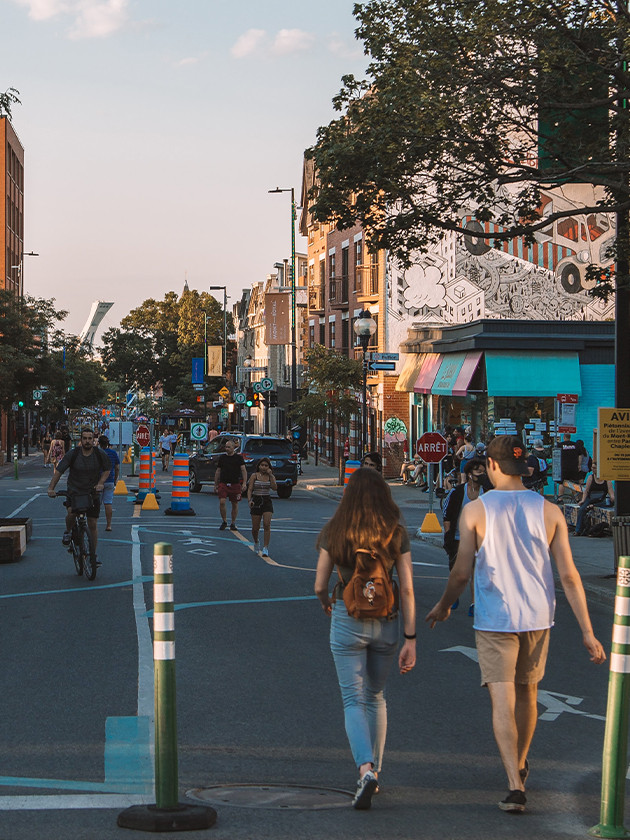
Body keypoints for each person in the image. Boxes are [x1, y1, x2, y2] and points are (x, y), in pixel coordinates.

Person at [426, 435, 606, 813]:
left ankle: (513, 782)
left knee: (502, 700)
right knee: (529, 695)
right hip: (538, 617)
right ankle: (521, 763)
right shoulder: (549, 509)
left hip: (495, 618)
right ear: (524, 468)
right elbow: (570, 576)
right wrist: (588, 632)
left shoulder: (476, 510)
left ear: (491, 466)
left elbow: (461, 572)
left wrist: (444, 606)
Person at [315, 468, 416, 810]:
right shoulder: (395, 532)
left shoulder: (336, 531)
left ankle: (365, 770)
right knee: (376, 696)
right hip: (386, 620)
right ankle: (378, 770)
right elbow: (409, 589)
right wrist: (411, 638)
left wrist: (327, 601)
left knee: (352, 700)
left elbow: (318, 584)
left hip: (348, 617)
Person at [47, 428, 112, 565]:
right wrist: (51, 488)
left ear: (93, 440)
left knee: (92, 523)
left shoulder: (99, 454)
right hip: (75, 491)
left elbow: (107, 469)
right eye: (85, 438)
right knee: (71, 513)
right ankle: (68, 531)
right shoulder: (73, 454)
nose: (87, 441)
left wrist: (101, 483)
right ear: (80, 440)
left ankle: (93, 555)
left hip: (92, 493)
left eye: (90, 439)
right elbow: (59, 471)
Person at [214, 438, 247, 531]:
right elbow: (218, 471)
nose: (226, 449)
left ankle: (233, 522)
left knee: (235, 504)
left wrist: (244, 482)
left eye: (229, 447)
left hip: (235, 483)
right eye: (226, 447)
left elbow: (243, 470)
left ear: (233, 448)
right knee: (222, 502)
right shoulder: (222, 458)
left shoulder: (239, 458)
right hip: (223, 483)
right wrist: (215, 484)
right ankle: (224, 521)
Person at [247, 457, 277, 556]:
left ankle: (265, 547)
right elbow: (250, 489)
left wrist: (271, 475)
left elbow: (274, 488)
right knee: (255, 528)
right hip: (256, 500)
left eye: (266, 465)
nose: (264, 467)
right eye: (262, 465)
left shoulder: (270, 476)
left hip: (266, 500)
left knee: (267, 524)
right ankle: (256, 541)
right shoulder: (254, 476)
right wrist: (250, 500)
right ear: (259, 466)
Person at [575, 461, 614, 536]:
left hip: (600, 500)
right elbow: (586, 491)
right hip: (590, 499)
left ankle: (594, 505)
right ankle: (578, 530)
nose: (593, 469)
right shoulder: (591, 478)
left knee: (609, 502)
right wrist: (583, 500)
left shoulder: (607, 480)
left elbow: (611, 492)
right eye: (592, 468)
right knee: (582, 509)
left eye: (595, 468)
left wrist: (612, 497)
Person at [98, 435, 120, 532]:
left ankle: (93, 523)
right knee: (108, 503)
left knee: (95, 504)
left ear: (99, 443)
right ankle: (109, 525)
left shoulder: (97, 453)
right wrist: (115, 479)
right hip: (110, 480)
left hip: (98, 481)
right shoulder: (113, 453)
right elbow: (117, 467)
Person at [558, 433, 580, 497]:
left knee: (561, 483)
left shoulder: (560, 445)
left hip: (563, 467)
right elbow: (580, 455)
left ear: (564, 437)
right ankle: (576, 497)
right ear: (570, 437)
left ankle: (560, 498)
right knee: (573, 483)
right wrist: (579, 465)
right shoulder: (575, 445)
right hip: (573, 467)